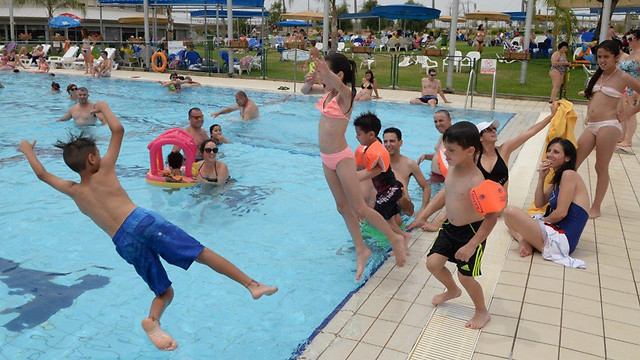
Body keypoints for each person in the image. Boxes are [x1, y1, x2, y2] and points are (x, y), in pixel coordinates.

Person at [18, 101, 277, 351]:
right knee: (201, 254)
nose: (101, 155)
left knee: (164, 292)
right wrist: (105, 107)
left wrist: (27, 151)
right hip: (142, 222)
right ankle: (251, 285)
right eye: (97, 153)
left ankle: (153, 321)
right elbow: (118, 130)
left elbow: (42, 175)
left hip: (122, 242)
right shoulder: (104, 170)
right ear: (92, 159)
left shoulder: (73, 190)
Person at [314, 54, 406, 281]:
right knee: (342, 207)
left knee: (360, 209)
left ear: (339, 75)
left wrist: (327, 74)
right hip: (325, 158)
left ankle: (394, 239)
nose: (320, 76)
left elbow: (339, 86)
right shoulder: (327, 96)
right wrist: (311, 80)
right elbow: (307, 91)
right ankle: (361, 249)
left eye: (325, 72)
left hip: (342, 158)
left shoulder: (346, 97)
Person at [409, 105, 558, 232]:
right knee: (450, 186)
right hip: (476, 204)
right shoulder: (474, 156)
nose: (494, 131)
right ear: (480, 137)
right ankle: (422, 218)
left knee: (456, 190)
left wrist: (551, 116)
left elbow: (529, 133)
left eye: (494, 129)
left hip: (496, 205)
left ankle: (439, 221)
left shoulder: (504, 150)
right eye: (489, 129)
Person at [425, 121, 500, 329]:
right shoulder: (452, 168)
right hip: (450, 228)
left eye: (451, 149)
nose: (445, 153)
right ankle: (452, 290)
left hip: (471, 233)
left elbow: (491, 218)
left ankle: (482, 311)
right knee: (433, 264)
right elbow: (445, 194)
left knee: (465, 277)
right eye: (445, 147)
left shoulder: (477, 181)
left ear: (469, 151)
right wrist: (425, 214)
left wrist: (472, 245)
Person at [577, 40, 640, 218]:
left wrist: (627, 114)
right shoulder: (598, 75)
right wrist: (589, 114)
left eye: (606, 56)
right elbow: (593, 97)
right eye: (599, 57)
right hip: (593, 125)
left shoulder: (623, 77)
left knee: (600, 166)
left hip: (609, 125)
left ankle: (596, 206)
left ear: (616, 57)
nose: (602, 60)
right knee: (573, 162)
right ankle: (567, 198)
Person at [503, 138, 589, 266]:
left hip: (563, 238)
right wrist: (541, 177)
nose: (550, 154)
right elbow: (539, 203)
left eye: (556, 152)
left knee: (510, 212)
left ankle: (527, 241)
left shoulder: (569, 175)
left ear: (567, 158)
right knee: (509, 221)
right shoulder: (558, 180)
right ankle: (524, 241)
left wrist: (537, 223)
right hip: (555, 231)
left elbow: (561, 213)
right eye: (549, 150)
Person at [354, 113, 412, 250]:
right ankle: (403, 237)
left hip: (389, 191)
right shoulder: (370, 152)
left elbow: (375, 171)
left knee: (380, 217)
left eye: (358, 134)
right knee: (388, 219)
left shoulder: (377, 154)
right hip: (390, 190)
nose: (356, 137)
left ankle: (402, 236)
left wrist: (351, 177)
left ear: (371, 135)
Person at [383, 127, 431, 217]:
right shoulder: (379, 164)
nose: (388, 144)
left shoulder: (409, 164)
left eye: (392, 141)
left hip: (402, 208)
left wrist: (423, 209)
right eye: (385, 141)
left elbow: (426, 188)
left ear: (400, 143)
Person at [617, 29, 640, 153]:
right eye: (627, 39)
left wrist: (637, 89)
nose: (628, 41)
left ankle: (628, 139)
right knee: (622, 111)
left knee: (630, 113)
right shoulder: (631, 52)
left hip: (633, 87)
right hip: (624, 87)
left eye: (631, 39)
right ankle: (622, 136)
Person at [417, 110, 453, 183]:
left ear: (449, 120)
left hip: (444, 179)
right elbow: (442, 156)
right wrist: (426, 156)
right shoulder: (443, 136)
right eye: (435, 122)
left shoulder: (453, 137)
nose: (438, 124)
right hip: (436, 178)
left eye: (441, 121)